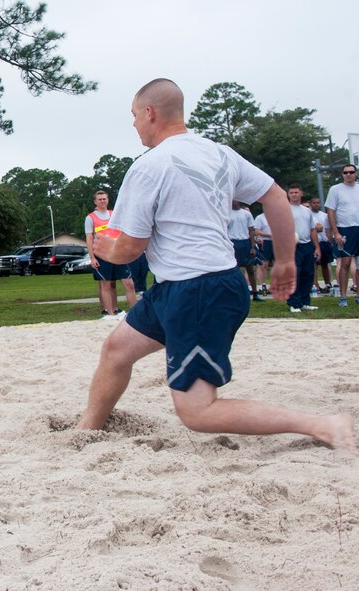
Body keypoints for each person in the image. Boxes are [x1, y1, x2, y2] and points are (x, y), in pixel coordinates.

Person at [75, 78, 354, 451]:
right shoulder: (219, 153)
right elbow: (272, 195)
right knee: (116, 351)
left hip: (198, 290)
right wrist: (285, 260)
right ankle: (87, 430)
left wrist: (105, 248)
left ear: (149, 113)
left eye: (134, 116)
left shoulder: (149, 166)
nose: (134, 124)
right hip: (181, 287)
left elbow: (129, 249)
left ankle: (322, 425)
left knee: (197, 412)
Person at [85, 190, 137, 319]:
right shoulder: (91, 218)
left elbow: (122, 233)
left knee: (129, 283)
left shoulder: (114, 214)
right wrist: (92, 257)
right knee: (106, 284)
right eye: (100, 199)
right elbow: (89, 238)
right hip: (102, 255)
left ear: (108, 200)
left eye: (104, 199)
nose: (102, 201)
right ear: (95, 201)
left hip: (117, 253)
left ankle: (136, 313)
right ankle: (109, 313)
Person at [325, 164, 359, 307]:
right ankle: (343, 296)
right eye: (346, 172)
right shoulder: (335, 189)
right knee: (344, 263)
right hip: (345, 229)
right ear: (342, 174)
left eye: (351, 172)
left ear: (356, 173)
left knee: (358, 266)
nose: (348, 174)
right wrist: (336, 232)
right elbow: (330, 211)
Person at [286, 186, 320, 312]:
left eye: (296, 192)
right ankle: (293, 303)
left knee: (308, 274)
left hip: (306, 245)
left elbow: (312, 230)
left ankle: (305, 302)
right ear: (288, 195)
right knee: (295, 274)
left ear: (301, 193)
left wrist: (317, 247)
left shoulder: (306, 211)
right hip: (292, 245)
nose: (294, 195)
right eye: (291, 193)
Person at [228, 201, 262, 301]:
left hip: (245, 242)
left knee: (250, 269)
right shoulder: (227, 213)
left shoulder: (246, 213)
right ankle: (236, 293)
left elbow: (251, 231)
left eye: (236, 199)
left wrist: (253, 246)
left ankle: (255, 293)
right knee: (235, 270)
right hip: (233, 242)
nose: (234, 202)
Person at [309, 196, 333, 292]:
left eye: (318, 203)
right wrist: (316, 229)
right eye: (314, 203)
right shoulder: (308, 214)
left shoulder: (324, 215)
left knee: (325, 264)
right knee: (314, 265)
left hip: (324, 242)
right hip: (314, 243)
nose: (316, 204)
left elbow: (328, 228)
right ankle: (315, 285)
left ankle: (327, 284)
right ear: (310, 204)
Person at [253, 211, 273, 294]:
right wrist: (270, 235)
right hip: (265, 242)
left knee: (276, 265)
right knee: (263, 264)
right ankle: (262, 286)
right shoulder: (260, 217)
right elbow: (257, 231)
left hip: (277, 241)